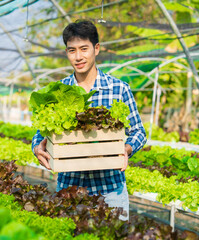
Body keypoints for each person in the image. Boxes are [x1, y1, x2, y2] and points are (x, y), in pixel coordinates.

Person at [31, 20, 146, 221]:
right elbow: (41, 134)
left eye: (84, 49)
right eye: (71, 50)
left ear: (97, 48)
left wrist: (125, 150)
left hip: (111, 190)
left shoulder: (119, 89)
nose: (78, 57)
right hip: (70, 190)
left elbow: (139, 132)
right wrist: (36, 148)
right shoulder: (57, 91)